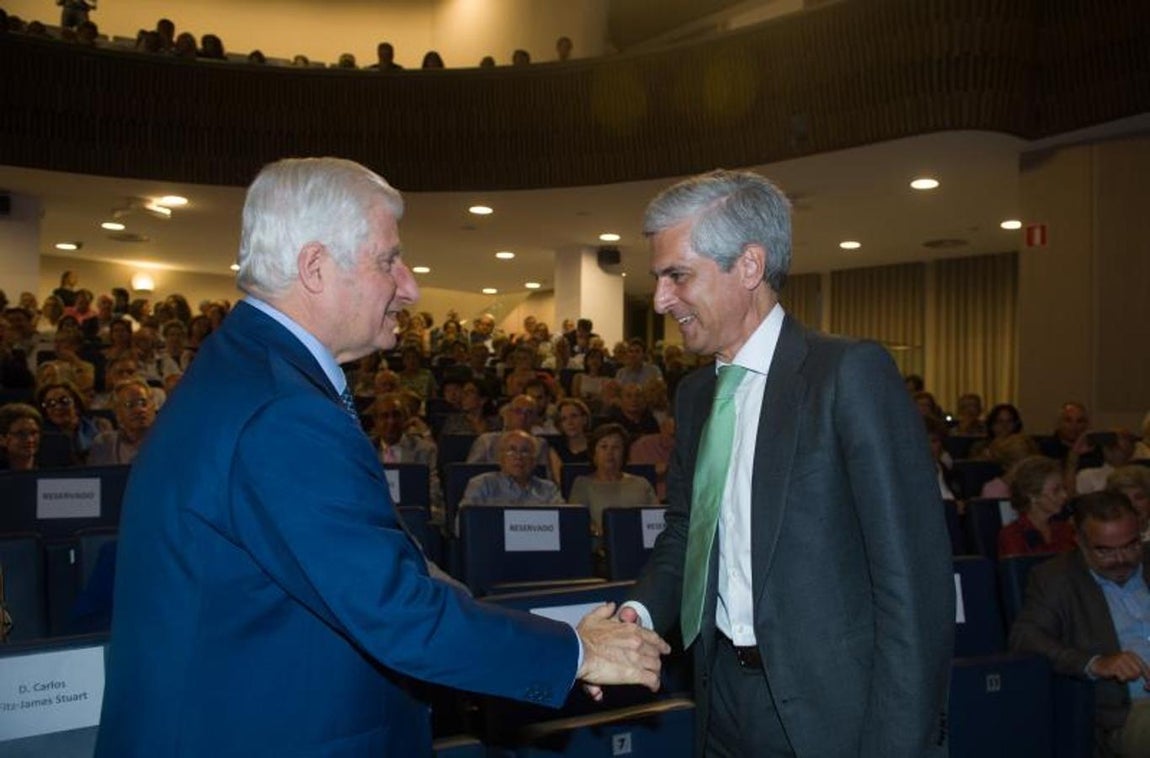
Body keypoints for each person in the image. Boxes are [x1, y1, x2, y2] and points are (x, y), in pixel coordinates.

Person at [95, 157, 669, 756]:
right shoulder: (280, 411)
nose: (411, 285)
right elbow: (394, 610)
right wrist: (579, 652)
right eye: (388, 260)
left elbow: (369, 557)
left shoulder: (252, 373)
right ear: (315, 267)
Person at [615, 169, 952, 756]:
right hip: (720, 699)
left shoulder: (848, 375)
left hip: (833, 715)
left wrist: (900, 743)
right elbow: (686, 536)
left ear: (748, 266)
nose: (663, 298)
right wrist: (637, 617)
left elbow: (911, 584)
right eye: (659, 279)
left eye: (678, 275)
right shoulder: (696, 397)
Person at [1010, 491, 1150, 757]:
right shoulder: (1055, 578)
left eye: (1131, 545)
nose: (1122, 559)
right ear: (1080, 542)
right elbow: (1025, 637)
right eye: (1105, 551)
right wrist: (1096, 663)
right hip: (1126, 711)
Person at [568, 422, 657, 539]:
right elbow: (576, 523)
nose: (609, 452)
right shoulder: (582, 484)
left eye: (616, 447)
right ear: (594, 453)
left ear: (624, 453)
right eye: (604, 447)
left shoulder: (641, 483)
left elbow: (657, 522)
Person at [459, 430, 563, 507]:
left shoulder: (548, 489)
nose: (518, 456)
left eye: (525, 451)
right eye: (511, 450)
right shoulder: (482, 484)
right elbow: (462, 525)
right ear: (501, 458)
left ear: (534, 460)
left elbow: (564, 522)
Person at [998, 455, 1076, 557]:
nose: (1064, 495)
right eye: (1056, 490)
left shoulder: (1065, 530)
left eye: (1064, 489)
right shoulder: (1012, 535)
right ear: (1032, 495)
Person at [88, 379, 157, 466]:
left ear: (153, 408)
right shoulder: (104, 443)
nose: (139, 410)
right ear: (118, 414)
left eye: (143, 403)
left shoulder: (169, 440)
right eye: (129, 405)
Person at [0, 402, 42, 471]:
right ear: (2, 439)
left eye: (34, 433)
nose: (30, 440)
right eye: (21, 434)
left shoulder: (51, 469)